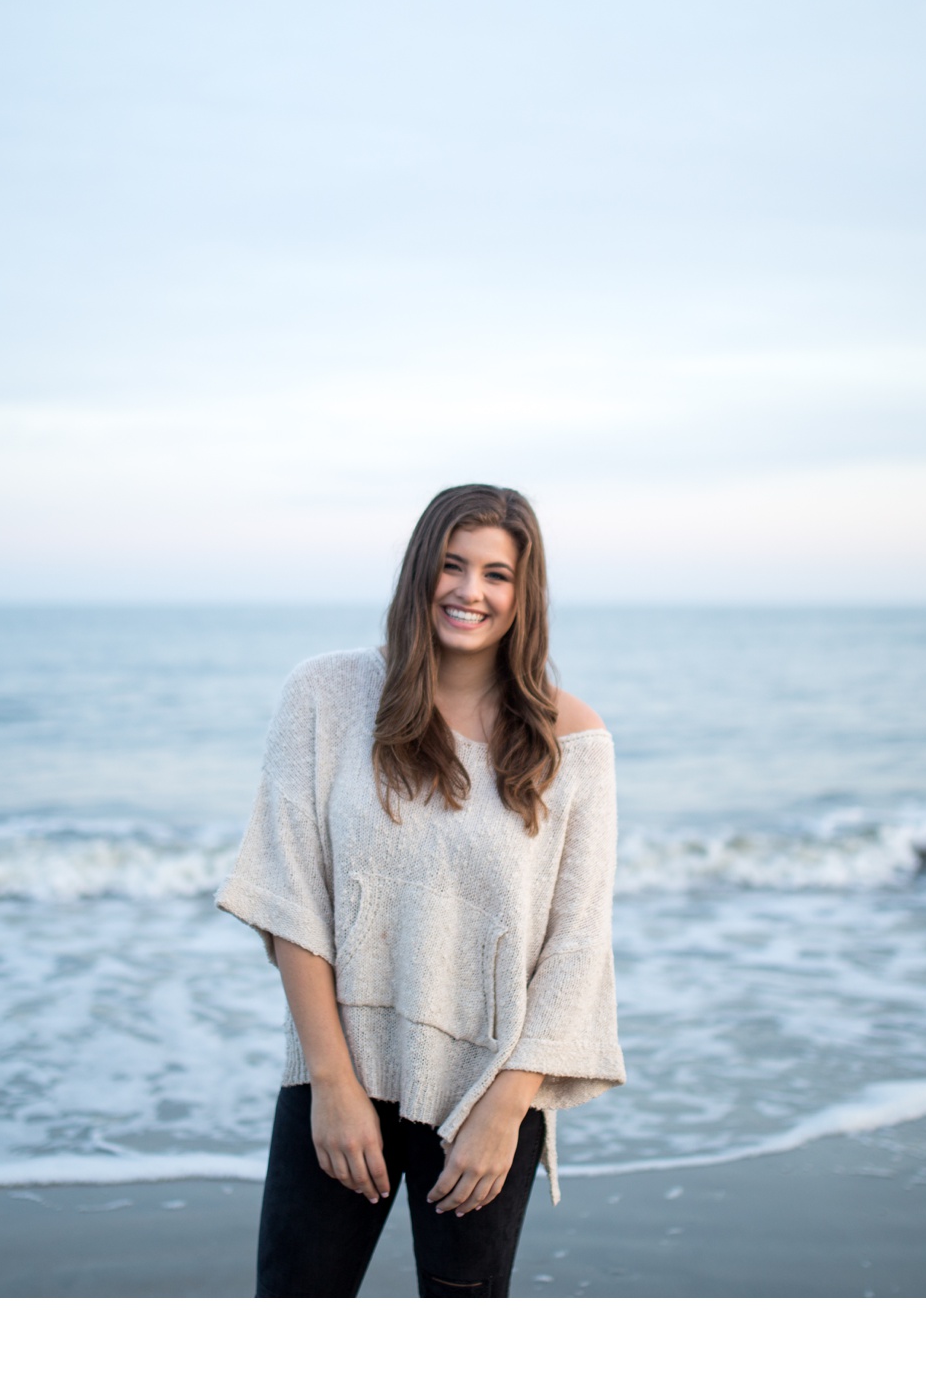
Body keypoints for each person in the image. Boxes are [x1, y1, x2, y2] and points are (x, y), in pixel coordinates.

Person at [216, 483, 626, 1298]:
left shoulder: (573, 741)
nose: (470, 591)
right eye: (451, 565)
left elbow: (576, 945)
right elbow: (293, 894)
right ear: (419, 574)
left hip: (485, 1097)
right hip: (339, 1075)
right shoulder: (326, 697)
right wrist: (332, 1087)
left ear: (523, 592)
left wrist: (505, 1112)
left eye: (496, 574)